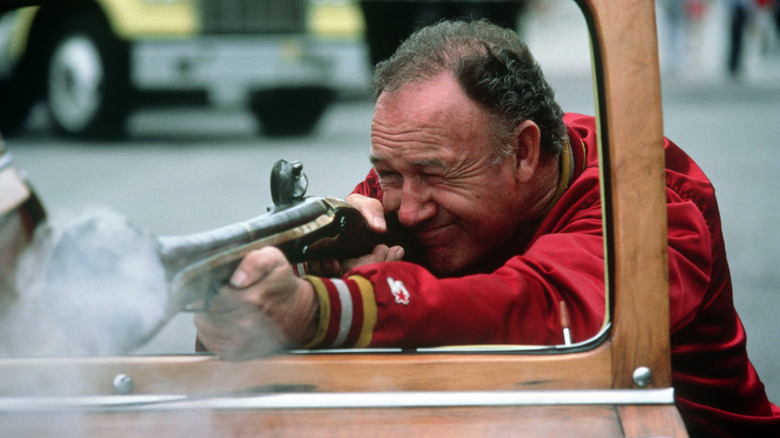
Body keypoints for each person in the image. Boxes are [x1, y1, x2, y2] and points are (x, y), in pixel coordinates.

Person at [194, 20, 780, 437]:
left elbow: (544, 308)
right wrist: (243, 313)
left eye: (433, 174)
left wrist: (327, 309)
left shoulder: (650, 198)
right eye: (388, 173)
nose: (410, 207)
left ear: (524, 151)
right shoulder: (405, 179)